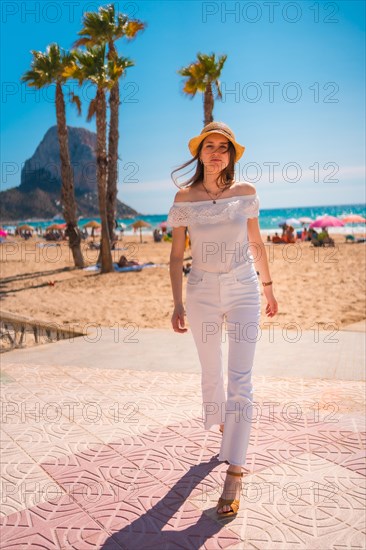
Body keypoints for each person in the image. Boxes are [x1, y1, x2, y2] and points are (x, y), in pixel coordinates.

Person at [167, 121, 278, 518]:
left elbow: (256, 242)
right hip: (199, 291)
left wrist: (268, 288)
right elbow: (177, 255)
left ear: (232, 154)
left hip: (244, 287)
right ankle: (224, 428)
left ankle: (234, 469)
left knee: (241, 380)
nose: (216, 153)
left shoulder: (245, 193)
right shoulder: (184, 197)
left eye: (224, 147)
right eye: (209, 146)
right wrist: (177, 302)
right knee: (211, 372)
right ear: (199, 153)